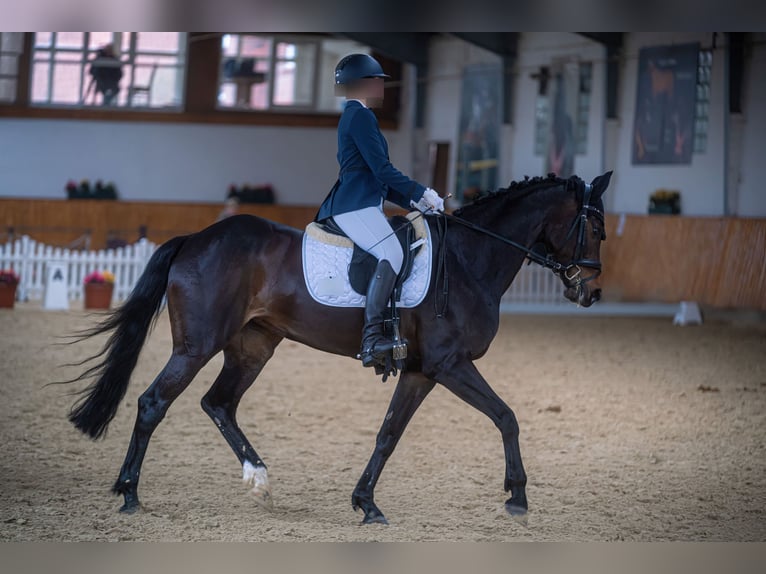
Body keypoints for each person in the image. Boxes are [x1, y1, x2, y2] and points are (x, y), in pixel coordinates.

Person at [315, 53, 444, 369]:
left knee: (394, 248)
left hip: (364, 201)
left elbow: (379, 177)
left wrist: (416, 202)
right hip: (354, 204)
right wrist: (420, 191)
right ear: (362, 83)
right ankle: (372, 337)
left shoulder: (357, 115)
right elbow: (382, 169)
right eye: (377, 80)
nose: (382, 86)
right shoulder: (359, 116)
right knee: (392, 253)